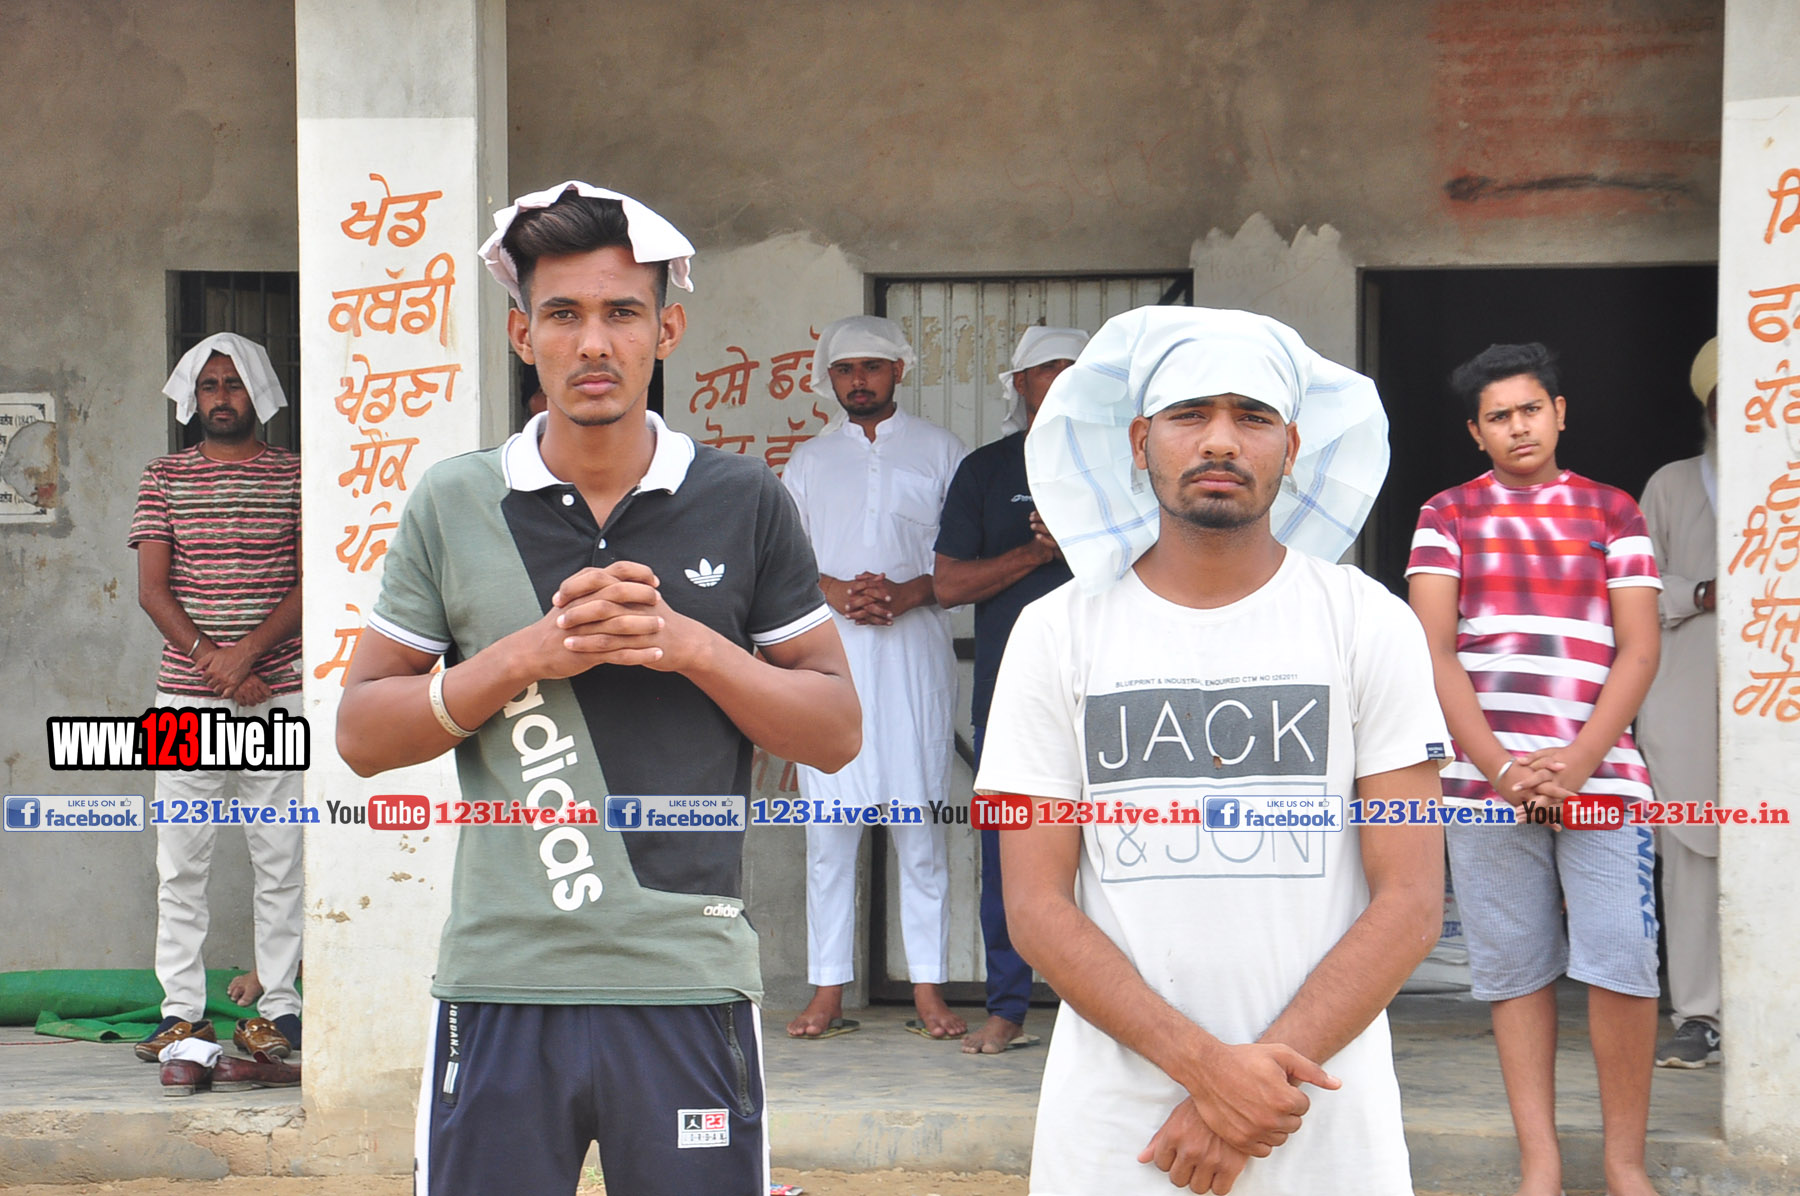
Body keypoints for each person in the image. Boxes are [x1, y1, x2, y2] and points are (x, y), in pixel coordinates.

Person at [335, 182, 859, 1196]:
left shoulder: (744, 498)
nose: (593, 343)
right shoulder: (456, 499)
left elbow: (836, 730)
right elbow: (361, 732)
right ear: (522, 333)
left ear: (667, 330)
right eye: (563, 314)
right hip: (501, 978)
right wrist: (521, 657)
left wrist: (690, 646)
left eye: (622, 312)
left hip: (686, 977)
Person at [981, 306, 1449, 1195]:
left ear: (1293, 446)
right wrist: (1209, 1072)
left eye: (1253, 416)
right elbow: (1035, 906)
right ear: (1139, 440)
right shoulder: (1056, 632)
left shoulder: (1367, 622)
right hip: (1117, 1133)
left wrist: (1246, 1094)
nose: (1221, 440)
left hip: (1317, 1118)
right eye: (1190, 414)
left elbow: (1412, 901)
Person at [1407, 342, 1662, 1196]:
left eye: (1529, 409)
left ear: (1559, 413)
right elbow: (1435, 654)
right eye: (1498, 416)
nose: (1517, 427)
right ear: (1475, 432)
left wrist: (1580, 760)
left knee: (1621, 962)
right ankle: (1540, 1165)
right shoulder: (1446, 514)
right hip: (1484, 788)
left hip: (1605, 781)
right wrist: (1502, 768)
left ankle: (1624, 1165)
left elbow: (1639, 648)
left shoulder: (1614, 511)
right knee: (1515, 972)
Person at [780, 315, 970, 1041]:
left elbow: (962, 556)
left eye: (872, 367)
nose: (858, 380)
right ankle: (828, 992)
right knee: (829, 833)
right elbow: (782, 559)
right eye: (845, 369)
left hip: (914, 657)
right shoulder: (807, 461)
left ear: (899, 371)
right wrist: (835, 590)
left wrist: (908, 592)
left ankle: (928, 991)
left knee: (918, 832)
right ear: (829, 378)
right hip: (831, 661)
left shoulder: (941, 451)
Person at [129, 333, 305, 1066]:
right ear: (193, 398)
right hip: (184, 699)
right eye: (209, 386)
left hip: (279, 693)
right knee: (181, 863)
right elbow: (152, 590)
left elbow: (313, 581)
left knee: (281, 857)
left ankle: (281, 1009)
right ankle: (181, 1013)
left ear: (257, 391)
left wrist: (248, 657)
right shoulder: (163, 477)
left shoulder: (297, 475)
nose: (221, 398)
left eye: (233, 384)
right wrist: (217, 663)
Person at [933, 325, 1085, 1055]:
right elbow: (948, 584)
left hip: (1110, 685)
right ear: (1018, 384)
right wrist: (1034, 552)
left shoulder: (1128, 464)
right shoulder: (986, 470)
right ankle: (1008, 1006)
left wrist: (1080, 540)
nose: (1062, 380)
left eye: (1076, 369)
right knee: (1008, 853)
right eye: (1047, 368)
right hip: (1011, 691)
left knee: (1127, 844)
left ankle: (1113, 1013)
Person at [1636, 337, 1722, 1068]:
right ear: (1711, 410)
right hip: (1686, 704)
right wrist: (1700, 592)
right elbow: (1634, 587)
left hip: (1774, 707)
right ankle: (1701, 1017)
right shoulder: (1671, 485)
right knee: (1692, 859)